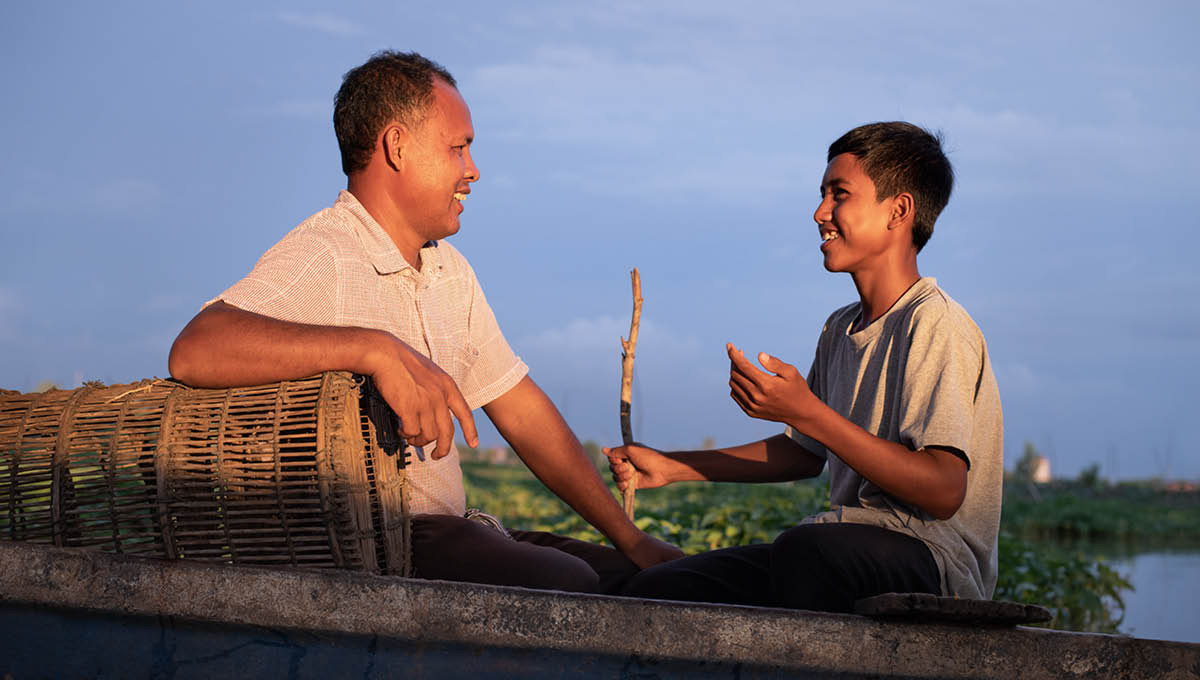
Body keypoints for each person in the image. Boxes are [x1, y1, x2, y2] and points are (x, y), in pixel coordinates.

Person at [168, 50, 682, 594]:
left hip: (457, 531)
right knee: (567, 581)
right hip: (386, 541)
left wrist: (632, 540)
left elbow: (521, 409)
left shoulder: (448, 270)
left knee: (652, 579)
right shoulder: (328, 253)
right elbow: (196, 348)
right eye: (458, 148)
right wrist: (374, 349)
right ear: (397, 146)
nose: (472, 169)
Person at [606, 122, 1002, 612]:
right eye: (822, 195)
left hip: (931, 562)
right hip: (839, 547)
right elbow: (803, 453)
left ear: (898, 211)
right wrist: (673, 466)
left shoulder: (934, 321)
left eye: (840, 194)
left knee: (805, 551)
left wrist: (807, 411)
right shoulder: (840, 328)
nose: (820, 213)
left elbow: (943, 489)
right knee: (664, 586)